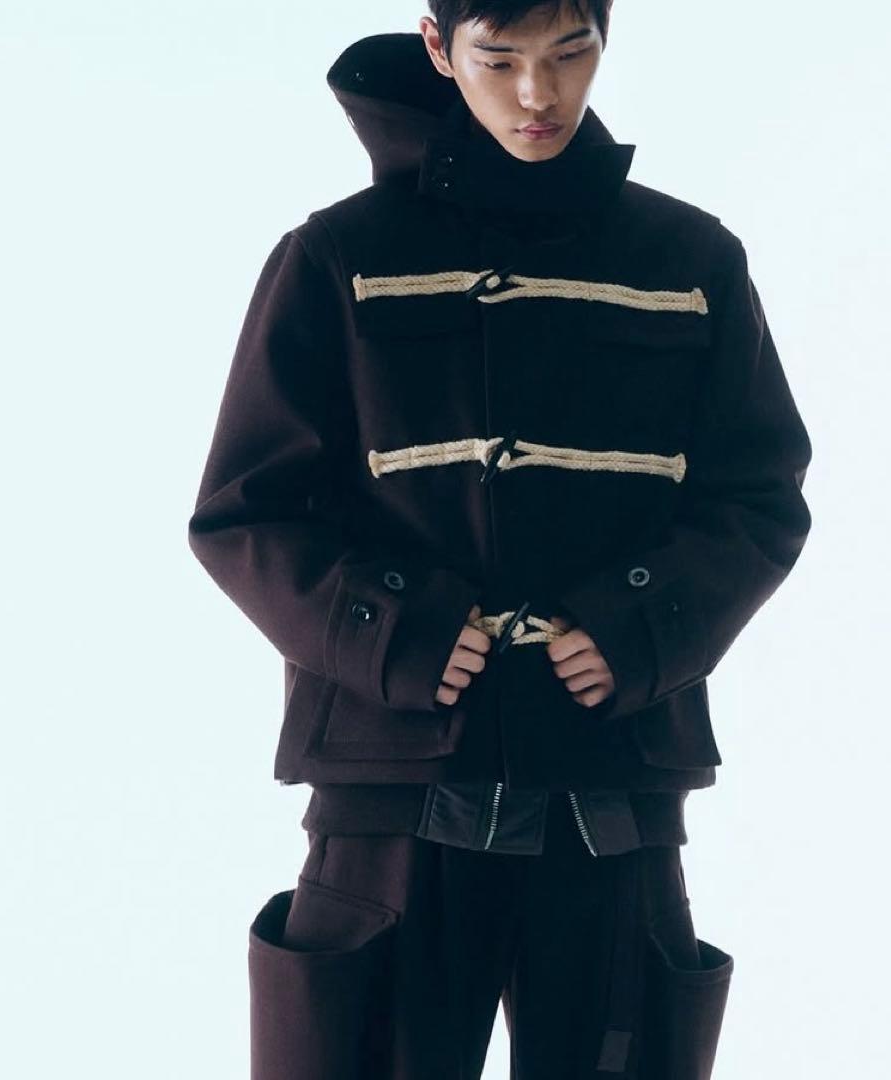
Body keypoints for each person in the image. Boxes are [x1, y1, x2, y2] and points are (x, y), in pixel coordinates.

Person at [187, 2, 813, 1077]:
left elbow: (759, 494)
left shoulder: (691, 257)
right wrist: (397, 630)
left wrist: (638, 621)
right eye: (501, 57)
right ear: (439, 47)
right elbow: (246, 509)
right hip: (393, 781)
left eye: (571, 54)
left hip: (611, 772)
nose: (538, 94)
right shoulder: (337, 253)